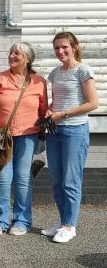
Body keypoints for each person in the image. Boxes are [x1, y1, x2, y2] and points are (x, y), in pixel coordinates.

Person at [0, 42, 48, 237]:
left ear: (27, 58)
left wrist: (42, 136)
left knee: (23, 178)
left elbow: (43, 111)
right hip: (1, 136)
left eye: (16, 53)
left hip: (28, 135)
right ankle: (0, 221)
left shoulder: (39, 82)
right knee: (3, 177)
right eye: (11, 52)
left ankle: (21, 221)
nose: (12, 56)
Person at [41, 31, 99, 244]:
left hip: (75, 131)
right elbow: (56, 100)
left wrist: (63, 114)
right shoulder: (55, 73)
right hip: (55, 132)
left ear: (74, 47)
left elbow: (93, 103)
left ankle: (69, 226)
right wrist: (49, 111)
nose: (60, 51)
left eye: (64, 47)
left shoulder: (83, 71)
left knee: (71, 181)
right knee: (56, 179)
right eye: (57, 47)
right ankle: (63, 220)